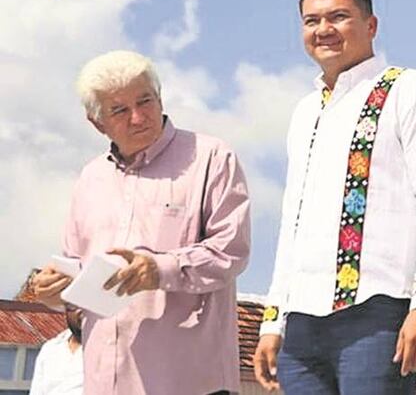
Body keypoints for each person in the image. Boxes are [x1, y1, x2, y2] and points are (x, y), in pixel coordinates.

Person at [253, 0, 416, 394]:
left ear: (370, 25)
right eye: (311, 21)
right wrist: (273, 320)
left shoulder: (409, 89)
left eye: (338, 17)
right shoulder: (305, 111)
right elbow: (293, 215)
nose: (323, 30)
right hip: (302, 325)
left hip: (376, 312)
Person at [30, 50, 252, 395]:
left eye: (145, 101)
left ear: (160, 96)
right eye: (119, 110)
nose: (138, 117)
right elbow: (76, 269)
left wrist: (160, 270)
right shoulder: (90, 178)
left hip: (190, 380)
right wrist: (54, 289)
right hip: (105, 380)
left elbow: (230, 253)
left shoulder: (212, 157)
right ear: (96, 121)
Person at [29, 306, 84, 395]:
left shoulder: (110, 349)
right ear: (66, 310)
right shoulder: (50, 349)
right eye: (75, 306)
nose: (81, 312)